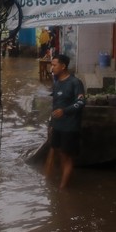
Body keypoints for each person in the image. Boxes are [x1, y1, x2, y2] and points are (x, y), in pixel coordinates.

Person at [44, 54, 86, 189]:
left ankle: (62, 188)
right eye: (52, 64)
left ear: (63, 66)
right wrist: (51, 124)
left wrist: (65, 111)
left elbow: (81, 102)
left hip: (70, 127)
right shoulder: (57, 83)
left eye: (54, 65)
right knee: (60, 154)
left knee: (66, 156)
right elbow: (55, 105)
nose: (52, 68)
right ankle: (62, 183)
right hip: (57, 126)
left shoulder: (75, 83)